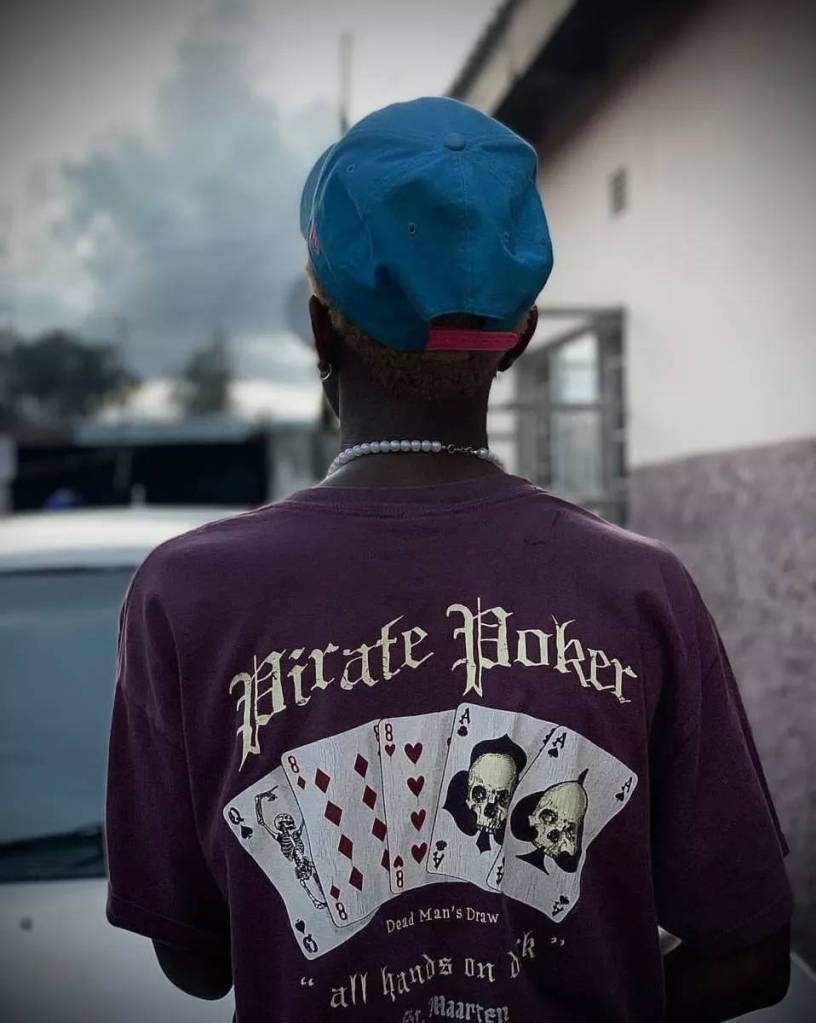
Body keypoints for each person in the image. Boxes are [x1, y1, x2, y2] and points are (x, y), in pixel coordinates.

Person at [104, 96, 793, 1022]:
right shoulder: (642, 591)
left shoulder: (185, 596)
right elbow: (753, 957)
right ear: (520, 339)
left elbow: (196, 963)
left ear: (320, 333)